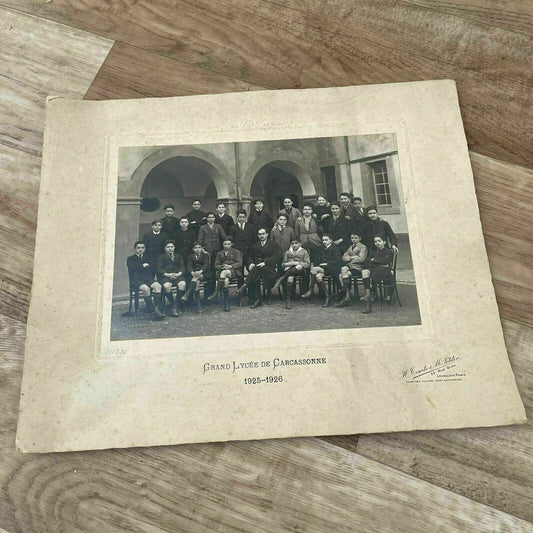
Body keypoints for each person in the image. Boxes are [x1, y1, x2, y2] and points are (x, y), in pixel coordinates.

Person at [237, 228, 280, 308]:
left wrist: (265, 262)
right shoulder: (254, 245)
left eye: (263, 234)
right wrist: (250, 263)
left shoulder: (273, 244)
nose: (261, 236)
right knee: (256, 273)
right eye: (260, 234)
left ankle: (244, 286)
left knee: (256, 271)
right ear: (257, 235)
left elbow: (276, 257)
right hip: (257, 268)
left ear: (267, 234)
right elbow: (249, 257)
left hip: (269, 268)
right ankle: (258, 300)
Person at [126, 241, 165, 319]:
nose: (140, 250)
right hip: (136, 280)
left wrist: (140, 267)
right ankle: (151, 308)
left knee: (158, 286)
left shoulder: (148, 258)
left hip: (148, 279)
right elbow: (132, 268)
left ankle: (156, 309)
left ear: (145, 249)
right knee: (146, 289)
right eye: (138, 248)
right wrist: (143, 265)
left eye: (142, 248)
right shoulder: (131, 258)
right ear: (134, 249)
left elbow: (152, 268)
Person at [301, 234, 341, 308]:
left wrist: (326, 264)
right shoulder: (322, 248)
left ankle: (311, 289)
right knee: (318, 276)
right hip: (324, 269)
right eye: (323, 240)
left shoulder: (335, 248)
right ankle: (328, 296)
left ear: (331, 240)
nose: (324, 242)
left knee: (314, 269)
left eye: (326, 240)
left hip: (332, 269)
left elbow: (337, 261)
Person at [360, 235, 394, 314]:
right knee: (364, 272)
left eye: (379, 241)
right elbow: (367, 261)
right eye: (375, 241)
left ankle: (368, 301)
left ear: (384, 242)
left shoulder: (388, 251)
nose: (377, 243)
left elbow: (385, 261)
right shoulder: (374, 251)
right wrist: (374, 261)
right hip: (376, 269)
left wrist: (374, 260)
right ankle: (368, 295)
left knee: (371, 276)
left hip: (384, 271)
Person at [273, 238, 310, 309]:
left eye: (296, 243)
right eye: (292, 243)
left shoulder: (304, 251)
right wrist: (289, 263)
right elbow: (283, 263)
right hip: (290, 270)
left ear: (300, 244)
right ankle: (288, 300)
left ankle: (281, 278)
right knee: (290, 277)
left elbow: (307, 264)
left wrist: (296, 263)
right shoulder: (288, 252)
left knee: (298, 266)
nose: (294, 245)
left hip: (300, 271)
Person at [209, 236, 244, 311]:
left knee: (225, 272)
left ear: (232, 244)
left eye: (228, 244)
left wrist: (230, 266)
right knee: (225, 281)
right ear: (222, 244)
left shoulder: (236, 252)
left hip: (234, 272)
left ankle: (216, 292)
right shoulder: (220, 253)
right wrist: (222, 267)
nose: (227, 246)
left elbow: (240, 263)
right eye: (225, 244)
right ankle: (226, 304)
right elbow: (216, 265)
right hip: (223, 272)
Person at [336, 232, 368, 307]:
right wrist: (352, 257)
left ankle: (347, 295)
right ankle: (348, 293)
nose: (353, 240)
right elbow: (343, 258)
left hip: (358, 268)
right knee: (343, 269)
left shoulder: (363, 247)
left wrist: (350, 258)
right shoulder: (350, 247)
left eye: (355, 238)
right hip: (350, 266)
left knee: (341, 276)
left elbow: (361, 259)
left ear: (360, 238)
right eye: (352, 238)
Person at [156, 240, 186, 317]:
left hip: (177, 276)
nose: (170, 248)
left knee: (182, 284)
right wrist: (168, 275)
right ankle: (174, 306)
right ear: (164, 249)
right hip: (166, 276)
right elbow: (158, 269)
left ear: (174, 248)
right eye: (168, 247)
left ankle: (175, 307)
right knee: (167, 286)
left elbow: (182, 266)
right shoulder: (161, 257)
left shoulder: (178, 256)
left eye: (172, 247)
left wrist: (179, 274)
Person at [182, 242, 211, 313]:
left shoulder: (205, 256)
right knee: (196, 282)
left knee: (196, 279)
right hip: (194, 275)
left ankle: (187, 293)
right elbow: (189, 266)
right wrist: (192, 273)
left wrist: (200, 271)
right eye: (195, 248)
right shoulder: (190, 257)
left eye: (199, 248)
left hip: (204, 274)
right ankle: (199, 307)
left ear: (202, 248)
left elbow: (206, 265)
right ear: (193, 249)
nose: (197, 249)